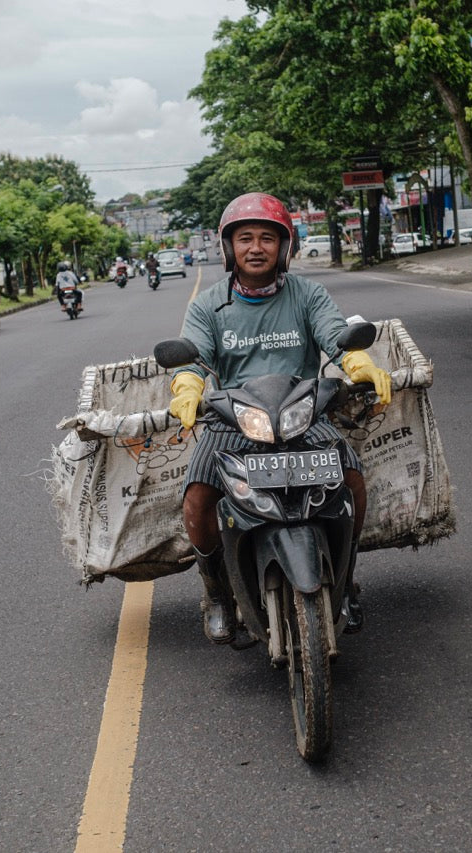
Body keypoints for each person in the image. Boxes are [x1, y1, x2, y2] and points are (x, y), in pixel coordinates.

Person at [167, 192, 392, 645]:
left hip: (303, 416)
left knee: (352, 482)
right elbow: (192, 357)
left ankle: (345, 580)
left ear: (284, 246)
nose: (256, 247)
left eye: (267, 238)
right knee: (196, 498)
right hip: (233, 421)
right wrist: (188, 387)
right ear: (229, 248)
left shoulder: (307, 294)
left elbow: (334, 333)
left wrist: (357, 364)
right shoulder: (208, 306)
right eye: (245, 238)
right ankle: (217, 593)